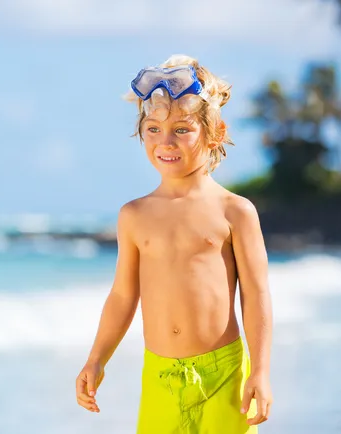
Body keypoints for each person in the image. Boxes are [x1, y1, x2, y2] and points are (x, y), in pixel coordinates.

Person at [75, 54, 273, 433]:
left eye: (182, 129)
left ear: (213, 132)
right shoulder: (134, 215)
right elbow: (122, 296)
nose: (165, 142)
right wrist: (97, 358)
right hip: (160, 377)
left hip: (225, 375)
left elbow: (256, 293)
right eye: (153, 129)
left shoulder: (235, 211)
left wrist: (260, 371)